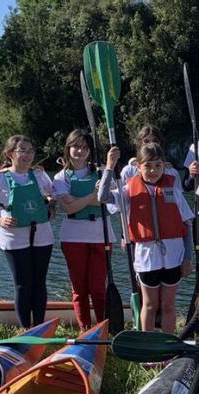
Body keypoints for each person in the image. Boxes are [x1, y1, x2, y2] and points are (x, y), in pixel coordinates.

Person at [105, 142, 194, 333]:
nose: (153, 171)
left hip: (173, 256)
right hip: (147, 258)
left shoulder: (173, 190)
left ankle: (168, 346)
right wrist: (109, 168)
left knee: (168, 305)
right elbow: (103, 197)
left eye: (157, 166)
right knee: (150, 305)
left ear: (164, 165)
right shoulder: (128, 190)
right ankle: (149, 348)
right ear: (138, 166)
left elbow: (187, 224)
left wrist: (188, 257)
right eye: (148, 166)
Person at [0, 135, 55, 327]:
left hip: (42, 235)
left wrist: (51, 206)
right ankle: (25, 329)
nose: (28, 155)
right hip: (13, 238)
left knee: (39, 282)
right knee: (22, 283)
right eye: (22, 151)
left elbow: (51, 195)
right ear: (11, 154)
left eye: (30, 151)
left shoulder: (39, 175)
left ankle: (39, 326)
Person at [53, 129, 120, 328]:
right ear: (68, 148)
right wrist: (94, 196)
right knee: (80, 289)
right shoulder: (61, 177)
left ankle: (102, 327)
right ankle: (84, 328)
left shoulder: (102, 172)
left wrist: (82, 199)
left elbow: (113, 202)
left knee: (98, 288)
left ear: (90, 151)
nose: (80, 151)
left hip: (101, 234)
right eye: (76, 146)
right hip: (73, 236)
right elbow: (69, 207)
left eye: (84, 147)